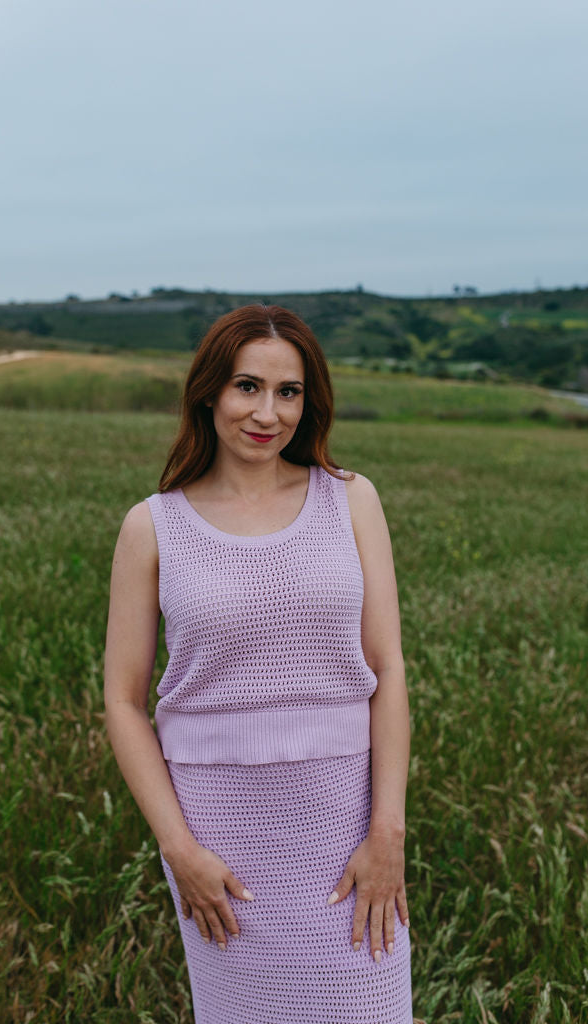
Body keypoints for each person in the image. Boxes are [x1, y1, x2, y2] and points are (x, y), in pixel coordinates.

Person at [103, 304, 413, 1023]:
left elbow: (388, 669)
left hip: (347, 825)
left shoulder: (351, 499)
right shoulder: (152, 526)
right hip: (216, 838)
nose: (267, 413)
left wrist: (387, 832)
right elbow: (122, 700)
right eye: (247, 386)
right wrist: (178, 849)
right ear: (209, 392)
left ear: (309, 402)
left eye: (288, 392)